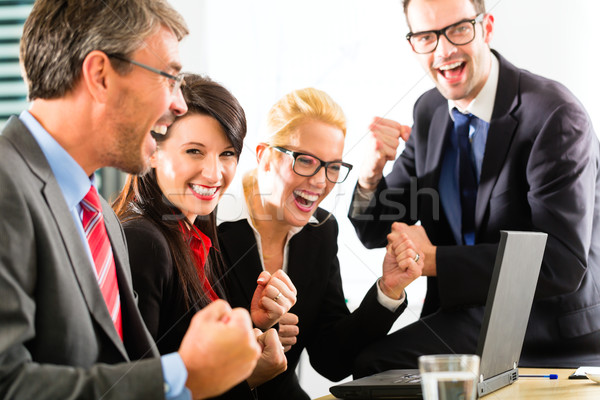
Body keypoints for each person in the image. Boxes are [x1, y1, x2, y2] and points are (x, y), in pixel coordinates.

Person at [0, 1, 261, 399]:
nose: (177, 104)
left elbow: (119, 369)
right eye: (168, 78)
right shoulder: (7, 185)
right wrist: (183, 376)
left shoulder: (101, 217)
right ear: (101, 75)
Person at [349, 0, 600, 375]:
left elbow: (561, 263)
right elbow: (375, 231)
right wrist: (370, 176)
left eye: (459, 29)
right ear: (413, 44)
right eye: (427, 37)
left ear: (487, 27)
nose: (444, 49)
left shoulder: (554, 116)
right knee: (371, 364)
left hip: (547, 326)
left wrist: (430, 260)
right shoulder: (429, 110)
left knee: (376, 364)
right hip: (467, 315)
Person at [217, 87, 424, 400]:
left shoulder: (322, 231)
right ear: (265, 157)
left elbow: (331, 359)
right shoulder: (213, 224)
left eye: (333, 167)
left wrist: (388, 290)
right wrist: (256, 329)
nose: (320, 181)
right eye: (305, 161)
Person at [112, 73, 296, 396]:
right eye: (195, 151)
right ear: (153, 151)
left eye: (227, 154)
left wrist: (256, 328)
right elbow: (140, 390)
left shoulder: (194, 235)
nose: (214, 173)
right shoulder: (145, 241)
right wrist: (248, 378)